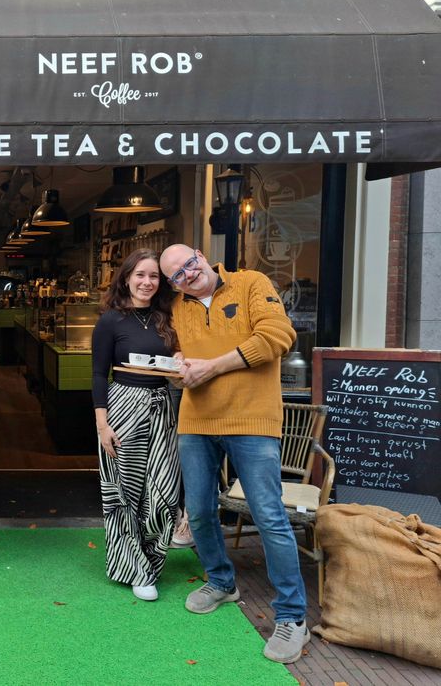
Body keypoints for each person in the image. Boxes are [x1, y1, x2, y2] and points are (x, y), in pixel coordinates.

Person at [158, 244, 307, 664]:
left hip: (252, 421)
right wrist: (179, 370)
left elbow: (278, 336)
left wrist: (213, 366)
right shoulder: (178, 308)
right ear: (173, 284)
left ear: (201, 255)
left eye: (190, 264)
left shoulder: (250, 283)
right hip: (196, 422)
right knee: (199, 513)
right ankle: (222, 582)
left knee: (269, 516)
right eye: (177, 275)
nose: (188, 275)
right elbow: (182, 359)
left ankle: (293, 617)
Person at [91, 248, 181, 601]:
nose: (147, 282)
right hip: (123, 407)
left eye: (154, 276)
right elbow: (99, 375)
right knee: (124, 491)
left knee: (163, 490)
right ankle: (135, 569)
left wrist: (180, 360)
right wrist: (102, 425)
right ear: (126, 278)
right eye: (140, 275)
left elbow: (177, 362)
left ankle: (153, 561)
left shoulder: (167, 317)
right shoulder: (110, 321)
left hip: (162, 407)